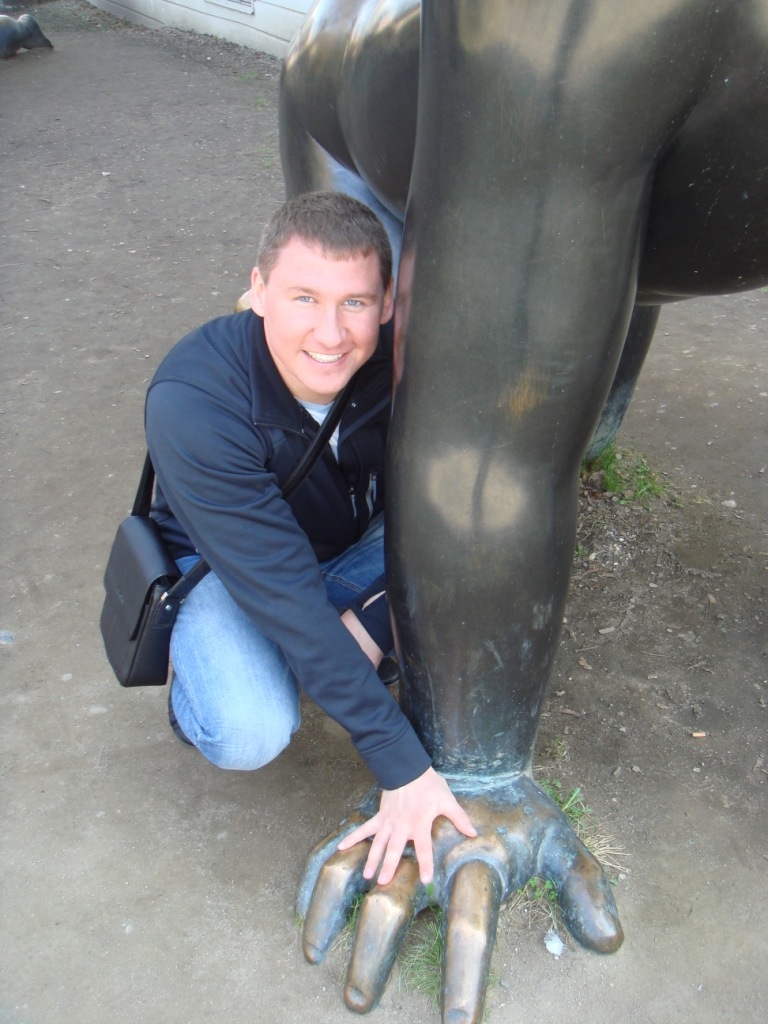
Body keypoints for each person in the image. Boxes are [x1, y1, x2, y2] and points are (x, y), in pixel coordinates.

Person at [145, 191, 475, 886]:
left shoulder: (402, 356)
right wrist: (404, 769)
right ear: (258, 289)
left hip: (351, 545)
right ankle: (210, 687)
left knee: (476, 529)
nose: (330, 334)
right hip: (232, 570)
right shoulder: (194, 398)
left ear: (386, 304)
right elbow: (283, 591)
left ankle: (338, 640)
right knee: (247, 727)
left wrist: (378, 615)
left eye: (354, 302)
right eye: (304, 298)